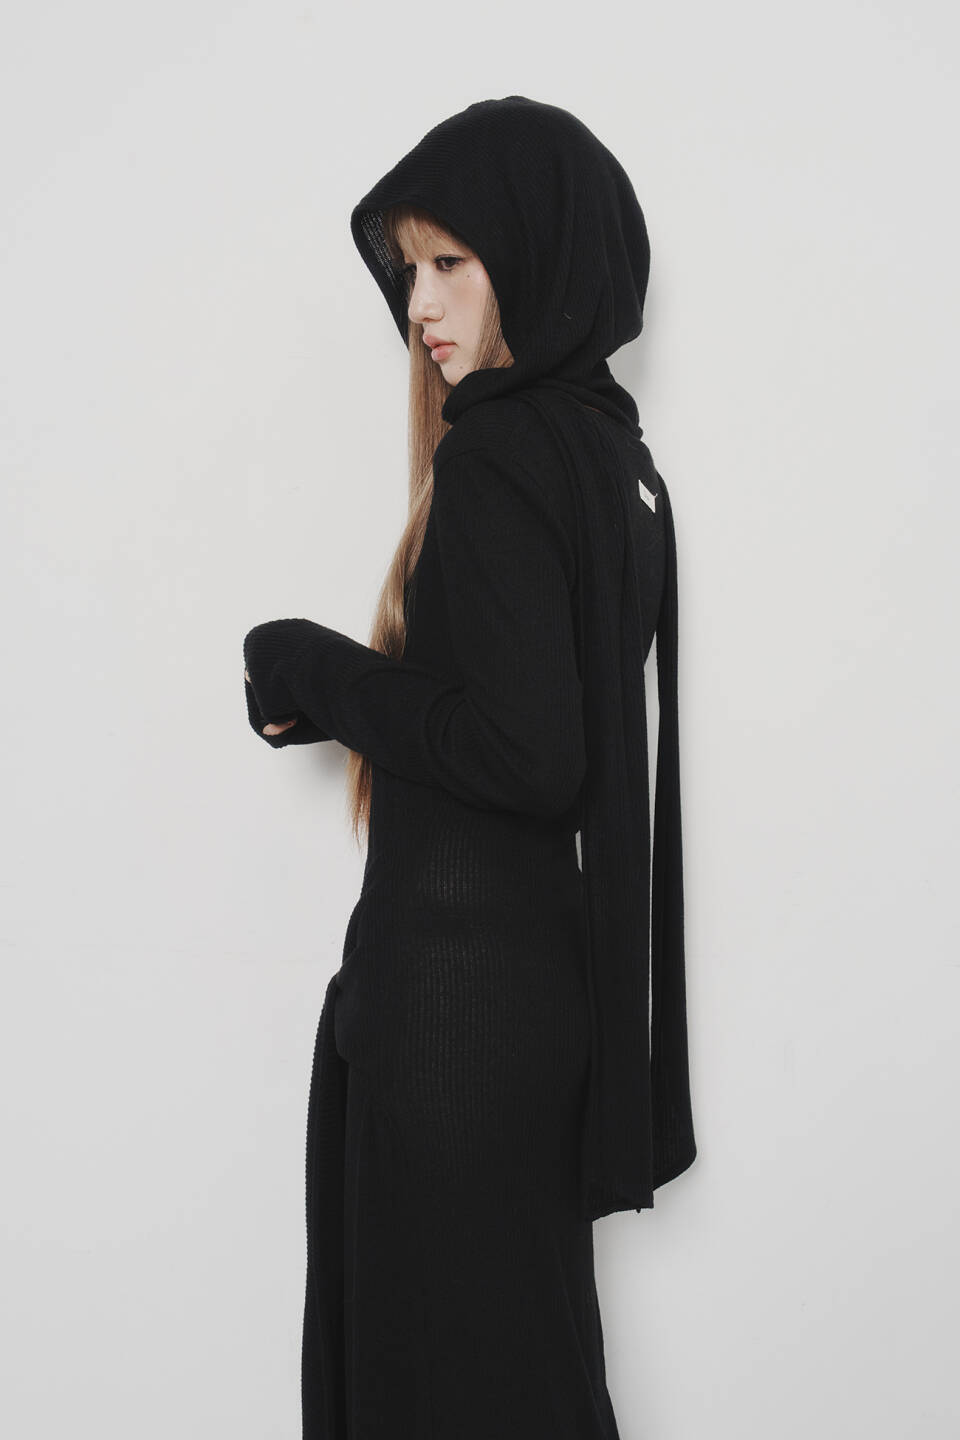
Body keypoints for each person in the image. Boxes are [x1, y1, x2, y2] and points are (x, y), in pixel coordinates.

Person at [242, 95, 696, 1440]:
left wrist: (315, 667)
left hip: (455, 1017)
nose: (420, 304)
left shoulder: (498, 455)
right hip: (537, 1009)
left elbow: (530, 752)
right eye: (409, 269)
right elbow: (546, 726)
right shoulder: (612, 457)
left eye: (451, 261)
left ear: (536, 254)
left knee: (437, 1392)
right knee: (522, 1383)